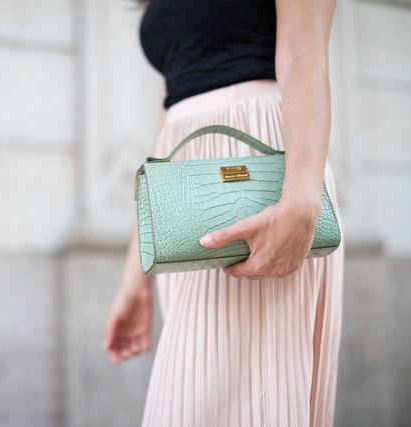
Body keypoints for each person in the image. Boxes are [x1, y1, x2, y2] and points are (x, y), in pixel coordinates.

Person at [104, 0, 344, 425]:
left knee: (244, 403)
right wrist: (135, 277)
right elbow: (171, 114)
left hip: (258, 175)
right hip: (186, 197)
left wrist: (300, 203)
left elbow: (304, 54)